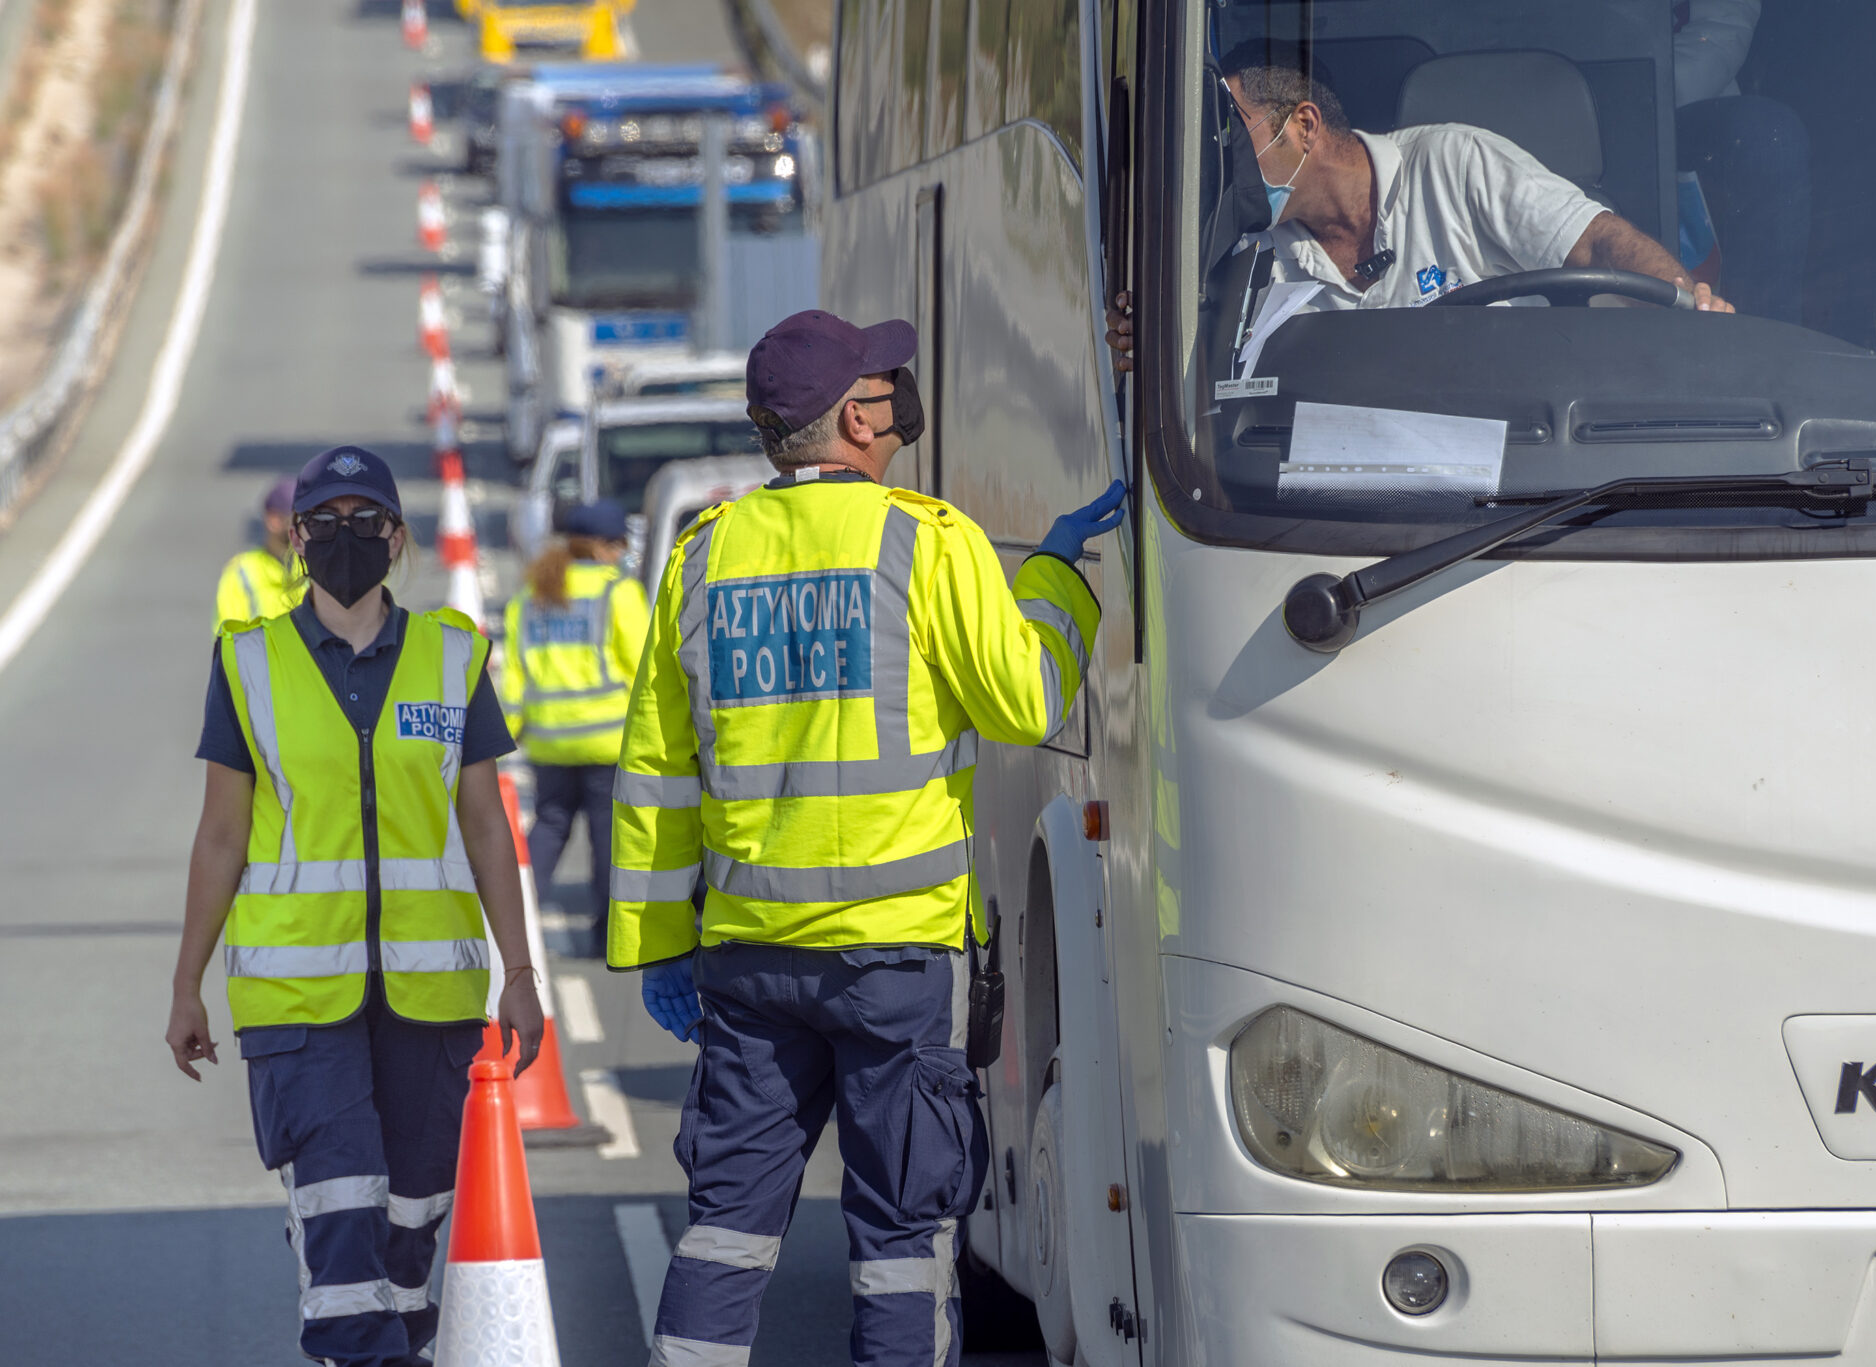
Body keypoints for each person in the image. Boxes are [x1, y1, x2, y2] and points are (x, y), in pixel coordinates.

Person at [607, 309, 1125, 1367]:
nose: (900, 389)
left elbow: (658, 775)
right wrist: (1060, 579)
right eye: (886, 378)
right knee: (898, 1242)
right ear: (856, 417)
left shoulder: (702, 559)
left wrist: (661, 949)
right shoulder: (925, 541)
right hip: (892, 960)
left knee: (723, 1232)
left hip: (749, 964)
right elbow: (1024, 697)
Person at [166, 445, 545, 1367]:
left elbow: (488, 826)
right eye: (324, 521)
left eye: (364, 520)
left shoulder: (454, 657)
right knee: (343, 1230)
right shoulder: (248, 662)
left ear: (397, 538)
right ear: (295, 539)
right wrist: (186, 985)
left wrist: (522, 973)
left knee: (408, 1240)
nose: (345, 537)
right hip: (299, 1009)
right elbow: (221, 835)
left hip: (430, 1003)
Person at [1106, 49, 1734, 367]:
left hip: (1526, 482)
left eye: (1233, 131)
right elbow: (1214, 395)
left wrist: (1683, 306)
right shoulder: (1253, 257)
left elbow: (1595, 244)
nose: (1221, 159)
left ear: (1303, 125)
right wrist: (1154, 342)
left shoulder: (1454, 163)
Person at [500, 497, 650, 931]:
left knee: (549, 825)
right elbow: (642, 664)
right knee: (607, 834)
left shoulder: (532, 594)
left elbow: (514, 672)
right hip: (607, 738)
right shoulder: (617, 591)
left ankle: (517, 916)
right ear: (603, 547)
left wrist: (507, 731)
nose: (622, 554)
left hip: (548, 739)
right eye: (619, 544)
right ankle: (608, 932)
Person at [1673, 0, 1811, 323]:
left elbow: (1723, 30)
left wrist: (1646, 99)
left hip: (1679, 96)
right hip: (1563, 97)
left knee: (1770, 140)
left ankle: (1769, 342)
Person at [214, 475, 304, 628]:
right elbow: (229, 639)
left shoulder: (315, 566)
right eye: (299, 518)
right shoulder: (242, 572)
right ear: (274, 521)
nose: (307, 525)